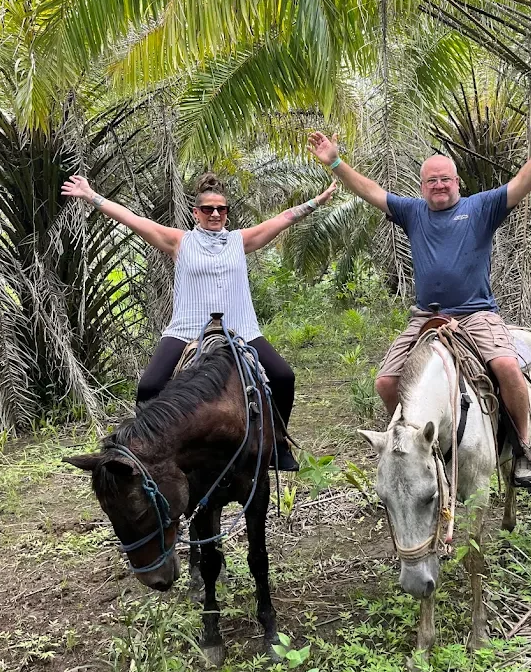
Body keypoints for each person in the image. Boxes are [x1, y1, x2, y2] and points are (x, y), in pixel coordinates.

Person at [308, 102, 531, 487]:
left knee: (506, 368)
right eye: (431, 180)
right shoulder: (412, 212)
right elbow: (369, 190)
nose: (439, 185)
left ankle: (520, 450)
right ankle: (419, 445)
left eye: (445, 179)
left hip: (476, 314)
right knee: (386, 383)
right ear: (422, 187)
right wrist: (335, 163)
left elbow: (524, 181)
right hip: (426, 316)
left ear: (457, 183)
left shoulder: (481, 207)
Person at [61, 171, 337, 472]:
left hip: (240, 328)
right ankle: (144, 452)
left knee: (284, 377)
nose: (215, 213)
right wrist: (92, 196)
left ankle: (277, 443)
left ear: (227, 213)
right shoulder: (179, 241)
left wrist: (318, 200)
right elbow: (132, 219)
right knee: (149, 386)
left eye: (221, 209)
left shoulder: (239, 241)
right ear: (196, 213)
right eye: (208, 209)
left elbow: (284, 217)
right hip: (187, 329)